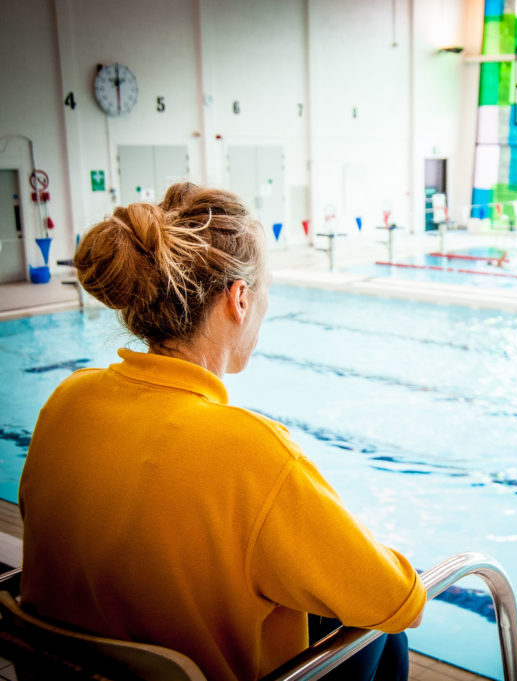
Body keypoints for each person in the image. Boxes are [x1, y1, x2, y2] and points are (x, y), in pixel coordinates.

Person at [19, 183, 425, 681]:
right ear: (238, 298)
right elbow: (397, 601)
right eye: (266, 292)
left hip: (56, 669)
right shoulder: (252, 451)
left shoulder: (67, 400)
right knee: (384, 635)